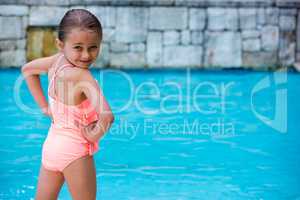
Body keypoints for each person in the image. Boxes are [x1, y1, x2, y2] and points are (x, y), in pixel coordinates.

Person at [21, 9, 114, 200]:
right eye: (78, 47)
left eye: (93, 47)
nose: (86, 55)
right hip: (75, 152)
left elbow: (28, 71)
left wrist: (45, 108)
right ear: (60, 44)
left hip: (51, 147)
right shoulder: (83, 76)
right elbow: (107, 116)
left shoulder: (56, 62)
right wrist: (93, 135)